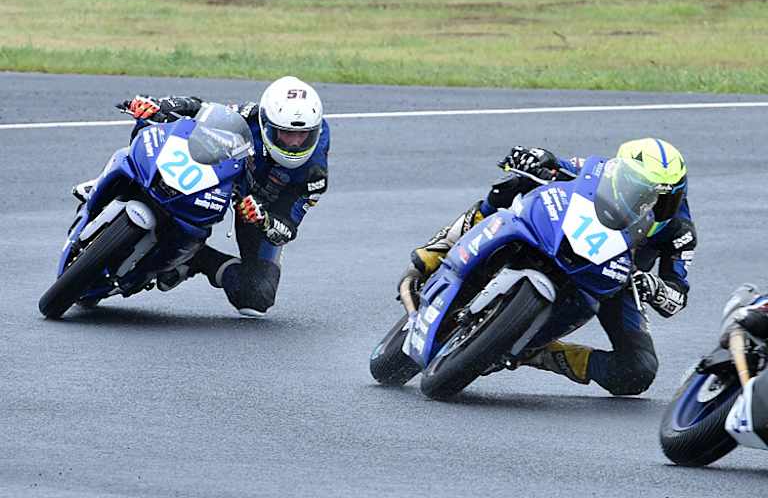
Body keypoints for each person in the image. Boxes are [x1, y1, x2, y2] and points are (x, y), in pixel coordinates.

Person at [401, 139, 696, 395]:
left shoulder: (679, 230)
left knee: (638, 371)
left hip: (615, 278)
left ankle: (539, 353)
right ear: (619, 173)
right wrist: (536, 158)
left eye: (664, 200)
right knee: (516, 184)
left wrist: (654, 288)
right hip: (565, 232)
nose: (652, 205)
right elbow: (557, 164)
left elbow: (677, 297)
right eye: (640, 191)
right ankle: (440, 247)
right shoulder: (599, 170)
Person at [74, 76, 330, 317]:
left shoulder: (314, 173)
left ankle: (193, 259)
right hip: (231, 175)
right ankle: (114, 183)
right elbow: (202, 109)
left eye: (302, 135)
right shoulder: (251, 116)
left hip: (258, 206)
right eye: (286, 134)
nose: (295, 143)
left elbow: (288, 226)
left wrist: (263, 219)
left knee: (256, 297)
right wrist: (159, 105)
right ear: (267, 124)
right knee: (153, 126)